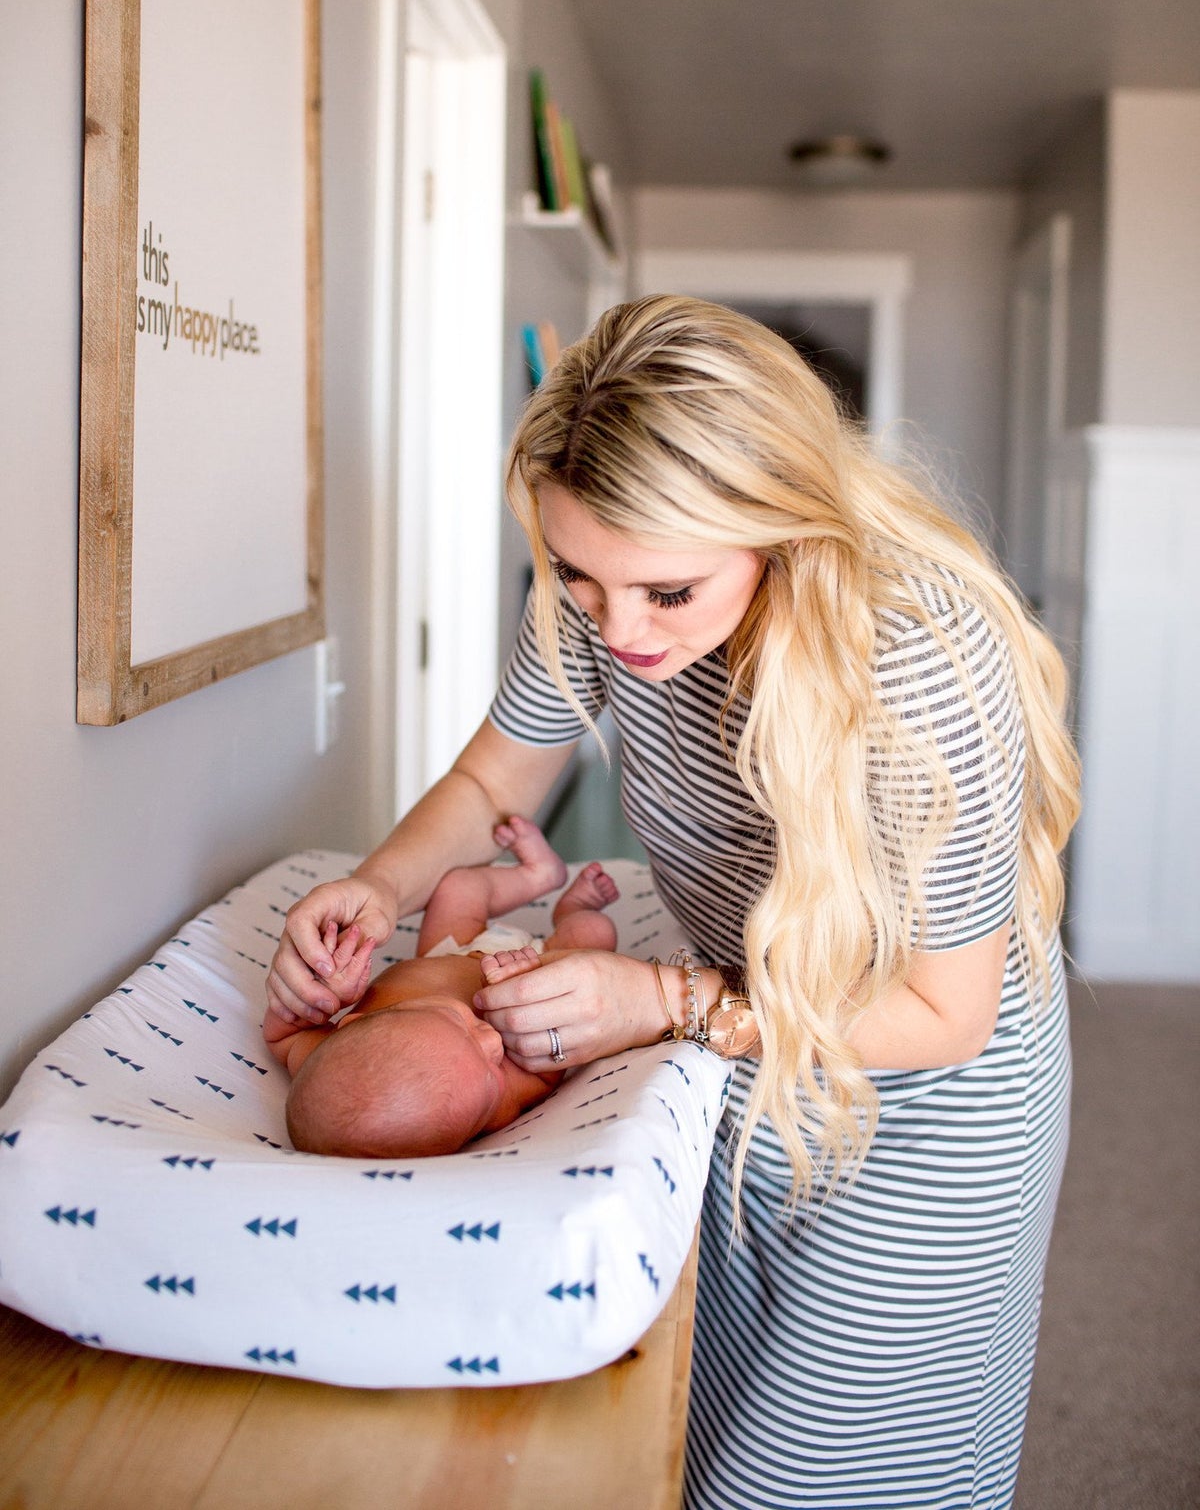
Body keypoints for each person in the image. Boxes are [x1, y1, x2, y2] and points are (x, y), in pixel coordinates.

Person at [266, 296, 1080, 1510]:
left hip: (921, 1098)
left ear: (778, 531)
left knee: (826, 1473)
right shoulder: (605, 581)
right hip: (747, 1033)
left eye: (666, 593)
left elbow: (943, 1012)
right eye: (586, 583)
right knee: (706, 1429)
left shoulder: (915, 658)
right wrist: (378, 888)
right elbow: (499, 773)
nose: (617, 628)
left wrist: (661, 998)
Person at [263, 817, 618, 1158]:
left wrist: (326, 996)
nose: (492, 1041)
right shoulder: (494, 1105)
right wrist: (521, 986)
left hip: (447, 952)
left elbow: (282, 1036)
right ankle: (574, 908)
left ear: (350, 1024)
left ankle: (537, 875)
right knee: (594, 933)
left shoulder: (328, 1070)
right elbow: (545, 1068)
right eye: (492, 1070)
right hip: (536, 968)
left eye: (460, 1022)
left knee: (457, 887)